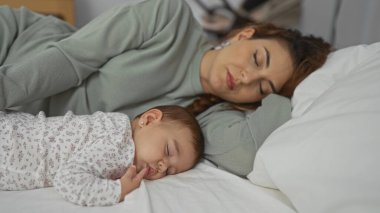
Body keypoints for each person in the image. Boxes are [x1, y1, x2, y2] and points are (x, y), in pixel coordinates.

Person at [0, 0, 331, 176]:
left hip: (23, 122)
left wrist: (283, 96)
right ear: (244, 34)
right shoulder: (168, 17)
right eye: (257, 59)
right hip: (17, 48)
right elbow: (71, 60)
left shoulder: (203, 117)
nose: (245, 78)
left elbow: (244, 155)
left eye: (262, 87)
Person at [0, 105, 204, 206]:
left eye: (170, 170)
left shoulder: (114, 125)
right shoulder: (120, 146)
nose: (162, 166)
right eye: (168, 151)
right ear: (149, 119)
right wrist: (117, 190)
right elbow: (68, 180)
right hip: (10, 146)